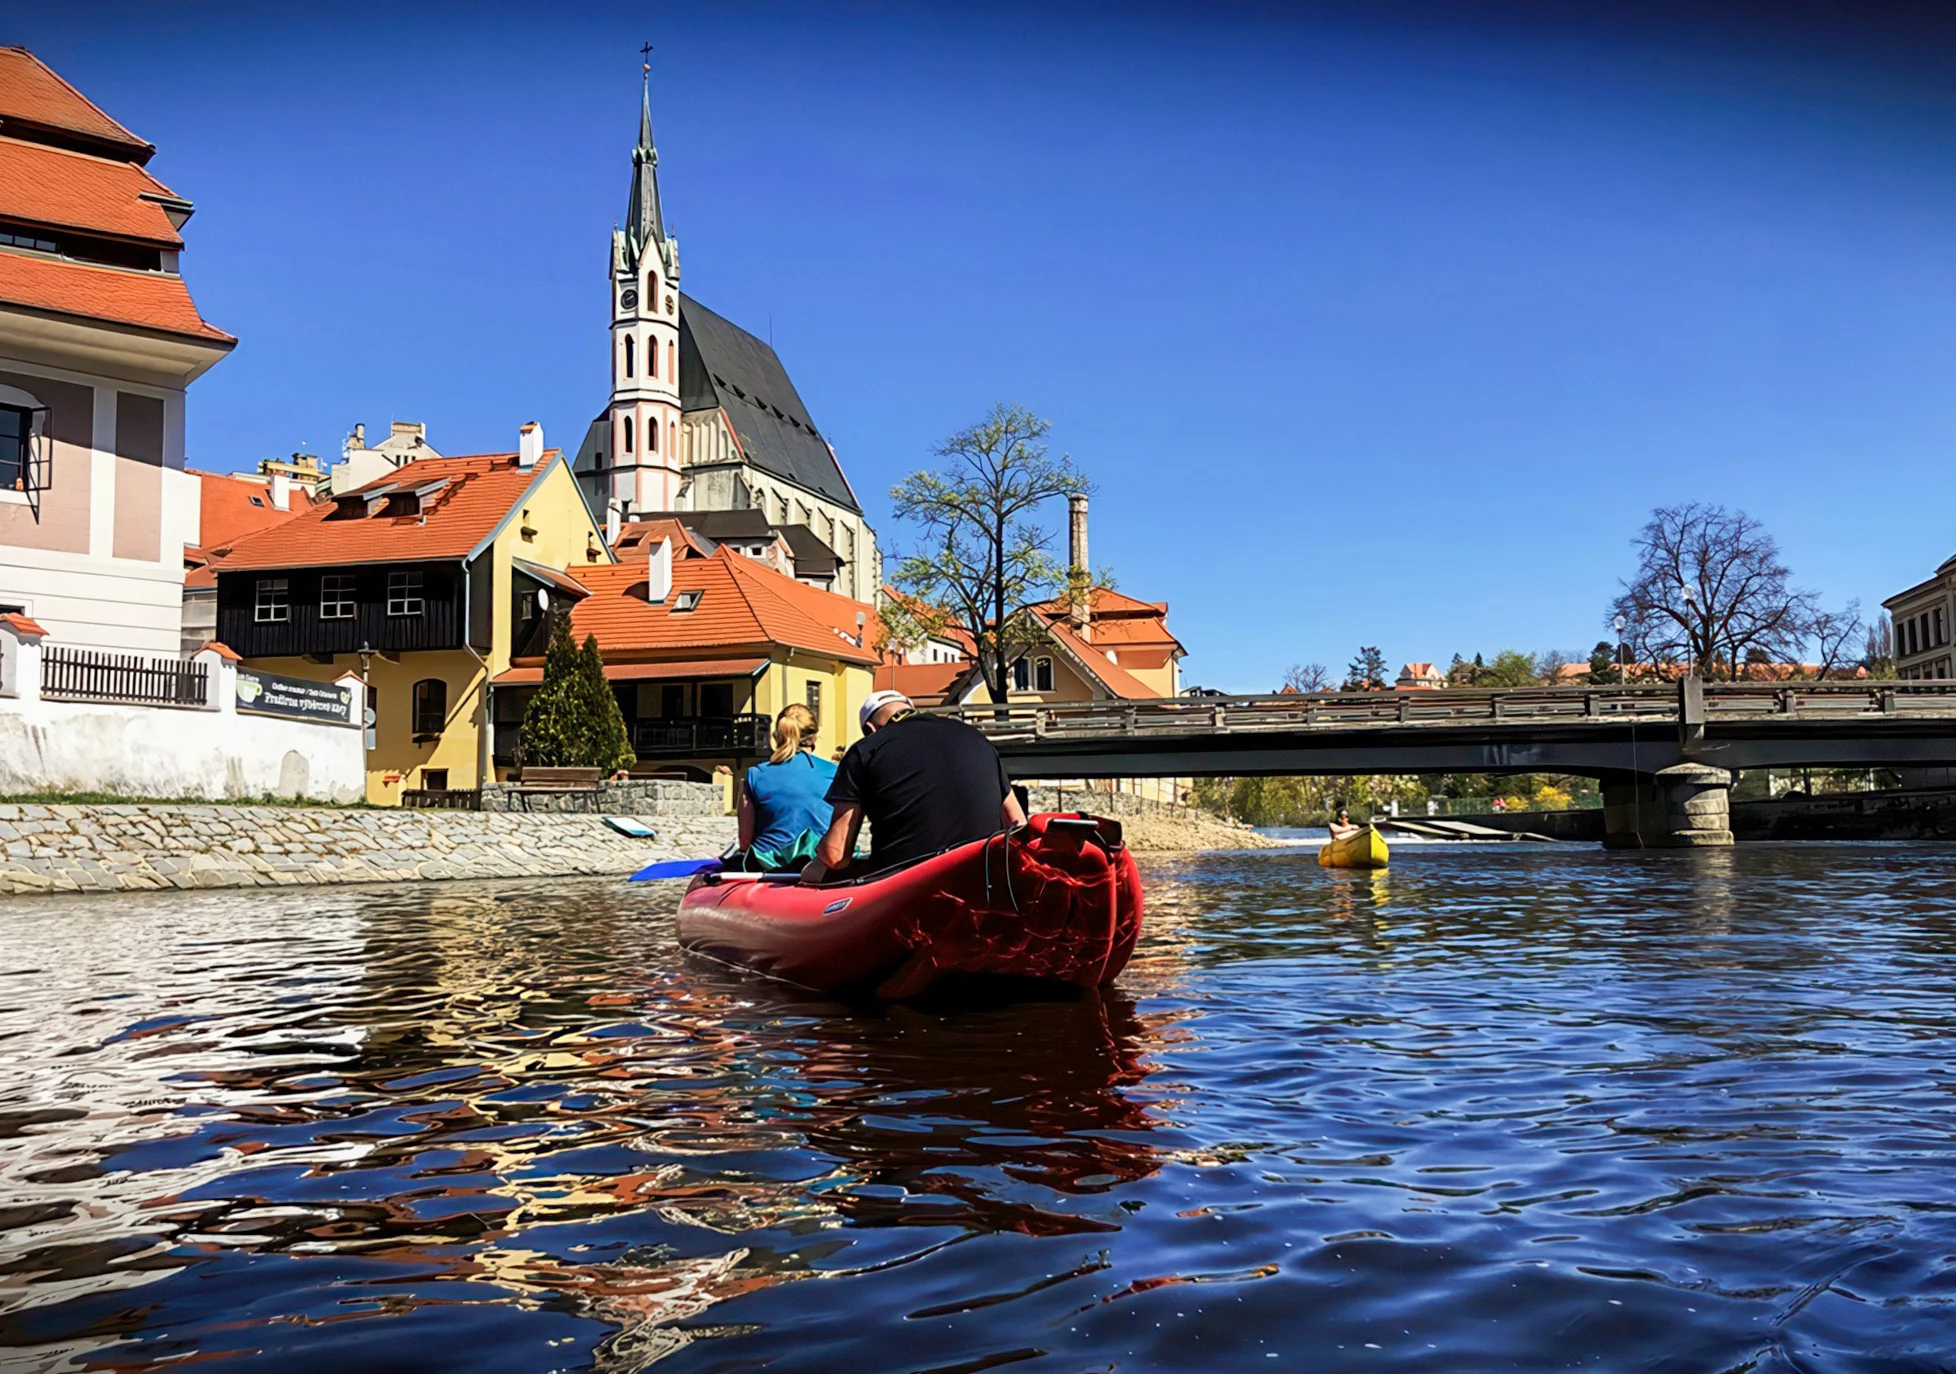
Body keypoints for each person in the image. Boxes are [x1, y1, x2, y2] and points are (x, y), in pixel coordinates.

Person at [809, 689, 1026, 880]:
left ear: (869, 729)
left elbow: (835, 854)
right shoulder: (976, 738)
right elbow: (1017, 822)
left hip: (904, 889)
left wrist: (817, 850)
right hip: (982, 880)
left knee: (815, 872)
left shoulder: (866, 750)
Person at [737, 704, 836, 871]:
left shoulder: (755, 774)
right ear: (814, 738)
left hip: (767, 864)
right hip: (819, 864)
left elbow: (745, 842)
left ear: (777, 735)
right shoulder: (834, 773)